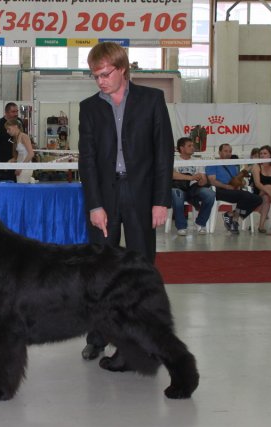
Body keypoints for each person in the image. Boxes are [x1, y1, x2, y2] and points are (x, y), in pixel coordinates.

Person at [78, 41, 174, 361]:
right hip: (104, 197)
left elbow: (163, 153)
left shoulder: (152, 100)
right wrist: (94, 204)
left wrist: (161, 200)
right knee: (99, 270)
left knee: (141, 269)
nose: (100, 81)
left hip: (142, 195)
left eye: (105, 74)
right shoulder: (89, 107)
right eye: (95, 76)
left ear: (122, 69)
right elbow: (87, 160)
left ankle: (141, 337)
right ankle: (97, 336)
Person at [206, 144, 263, 235]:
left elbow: (240, 180)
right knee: (244, 195)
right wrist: (226, 186)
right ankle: (235, 221)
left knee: (258, 199)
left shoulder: (233, 165)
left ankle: (231, 214)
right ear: (219, 152)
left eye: (230, 151)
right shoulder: (213, 164)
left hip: (234, 190)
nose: (228, 153)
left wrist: (242, 182)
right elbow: (212, 181)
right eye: (225, 151)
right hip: (219, 190)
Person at [171, 137, 216, 236]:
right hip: (178, 188)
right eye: (189, 146)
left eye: (193, 145)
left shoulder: (198, 160)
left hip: (194, 189)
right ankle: (181, 226)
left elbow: (203, 180)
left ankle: (200, 223)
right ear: (182, 148)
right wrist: (191, 178)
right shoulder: (173, 160)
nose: (193, 148)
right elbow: (172, 175)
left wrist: (201, 180)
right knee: (176, 193)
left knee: (210, 194)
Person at [0, 102, 20, 181]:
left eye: (17, 111)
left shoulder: (19, 122)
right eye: (13, 112)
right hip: (3, 164)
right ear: (6, 112)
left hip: (19, 163)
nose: (16, 114)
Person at [5, 118, 35, 183]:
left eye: (8, 129)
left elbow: (31, 154)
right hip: (21, 167)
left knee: (22, 190)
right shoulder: (16, 138)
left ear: (15, 126)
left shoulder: (24, 136)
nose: (7, 131)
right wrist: (11, 161)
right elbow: (21, 155)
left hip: (25, 168)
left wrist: (20, 167)